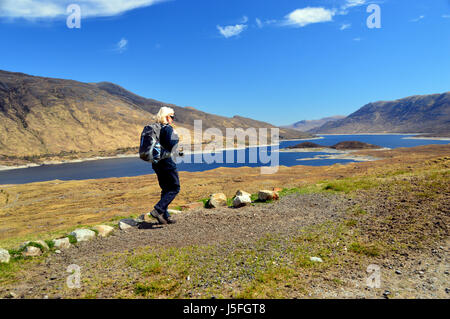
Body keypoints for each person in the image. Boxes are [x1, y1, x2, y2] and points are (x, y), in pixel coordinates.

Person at [141, 107, 182, 225]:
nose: (173, 119)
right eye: (172, 116)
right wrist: (176, 137)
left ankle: (165, 216)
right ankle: (158, 210)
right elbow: (171, 146)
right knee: (175, 188)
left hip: (156, 162)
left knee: (165, 189)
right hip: (167, 162)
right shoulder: (168, 129)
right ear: (167, 116)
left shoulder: (156, 128)